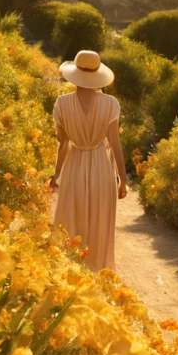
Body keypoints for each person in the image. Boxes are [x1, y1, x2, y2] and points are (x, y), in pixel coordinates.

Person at [49, 50, 127, 272]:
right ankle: (97, 273)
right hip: (102, 169)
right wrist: (122, 179)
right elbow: (116, 142)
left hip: (74, 168)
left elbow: (63, 143)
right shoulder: (111, 104)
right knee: (99, 225)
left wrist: (56, 175)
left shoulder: (62, 104)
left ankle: (70, 274)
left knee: (71, 224)